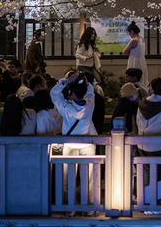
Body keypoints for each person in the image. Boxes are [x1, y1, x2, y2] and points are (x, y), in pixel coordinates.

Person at [50, 73, 97, 217]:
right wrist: (87, 84)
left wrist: (66, 81)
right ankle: (88, 208)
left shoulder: (66, 107)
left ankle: (70, 208)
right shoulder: (89, 105)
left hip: (70, 144)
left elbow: (53, 93)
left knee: (68, 178)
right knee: (88, 178)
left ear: (71, 94)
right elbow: (90, 92)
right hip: (87, 144)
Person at [136, 77, 161, 186]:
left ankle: (144, 200)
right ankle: (155, 200)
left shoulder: (142, 104)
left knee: (145, 174)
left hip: (141, 144)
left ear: (152, 89)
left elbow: (137, 122)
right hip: (157, 146)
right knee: (157, 177)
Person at [123, 21, 148, 86]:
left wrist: (131, 54)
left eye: (129, 33)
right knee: (142, 79)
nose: (129, 34)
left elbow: (124, 51)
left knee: (133, 79)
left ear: (131, 31)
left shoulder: (134, 40)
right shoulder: (142, 39)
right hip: (142, 61)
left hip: (134, 61)